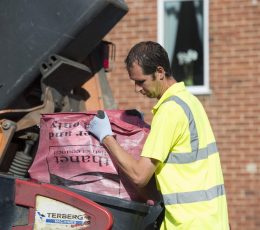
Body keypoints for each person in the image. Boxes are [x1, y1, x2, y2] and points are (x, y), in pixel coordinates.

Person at [89, 41, 229, 229]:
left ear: (160, 72)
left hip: (187, 224)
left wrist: (106, 137)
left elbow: (139, 176)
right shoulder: (189, 101)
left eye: (141, 81)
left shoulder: (169, 111)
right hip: (212, 221)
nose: (137, 88)